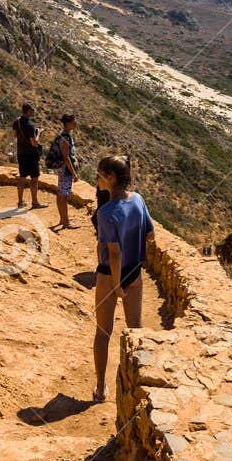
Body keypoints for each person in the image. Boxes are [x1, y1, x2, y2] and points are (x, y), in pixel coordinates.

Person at [91, 154, 153, 403]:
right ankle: (140, 384)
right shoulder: (138, 200)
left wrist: (116, 286)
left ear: (111, 177)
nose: (96, 179)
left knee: (103, 332)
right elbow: (150, 233)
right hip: (135, 272)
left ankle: (100, 387)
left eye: (99, 174)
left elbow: (114, 254)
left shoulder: (106, 212)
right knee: (136, 331)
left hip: (110, 277)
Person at [47, 114, 78, 230]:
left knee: (60, 194)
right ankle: (66, 222)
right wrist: (74, 173)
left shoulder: (63, 134)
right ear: (68, 124)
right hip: (65, 169)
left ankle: (62, 219)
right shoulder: (66, 137)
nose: (76, 124)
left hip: (61, 168)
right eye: (74, 122)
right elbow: (66, 157)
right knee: (64, 196)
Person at [11, 102, 44, 209]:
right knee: (34, 179)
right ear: (28, 111)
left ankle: (20, 202)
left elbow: (15, 135)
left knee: (22, 177)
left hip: (21, 153)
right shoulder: (30, 125)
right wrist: (39, 132)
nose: (34, 112)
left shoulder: (17, 121)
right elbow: (34, 143)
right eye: (33, 110)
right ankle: (35, 202)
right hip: (31, 154)